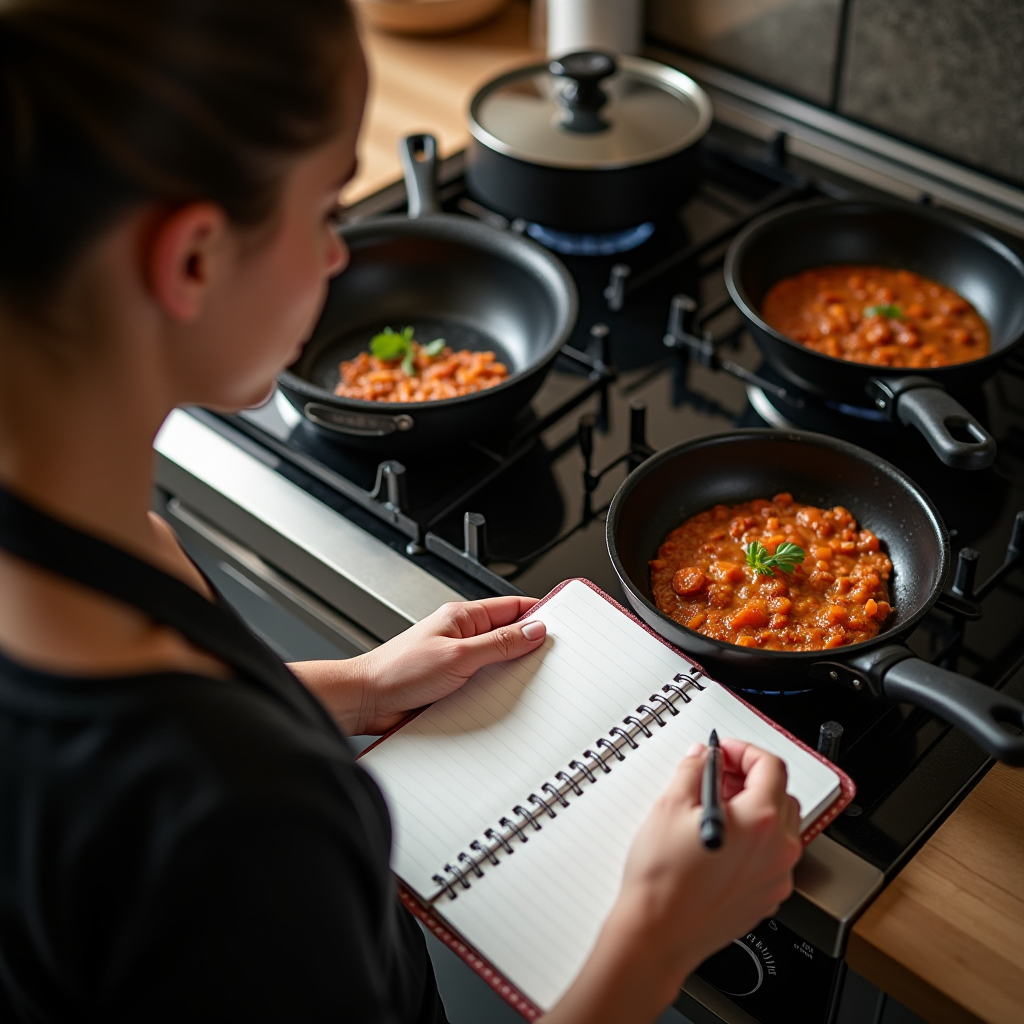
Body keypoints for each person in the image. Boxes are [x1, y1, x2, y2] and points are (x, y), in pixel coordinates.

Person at [0, 1, 802, 1021]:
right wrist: (658, 931)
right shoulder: (237, 828)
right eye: (330, 209)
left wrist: (355, 687)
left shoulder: (89, 531)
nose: (341, 256)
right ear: (193, 258)